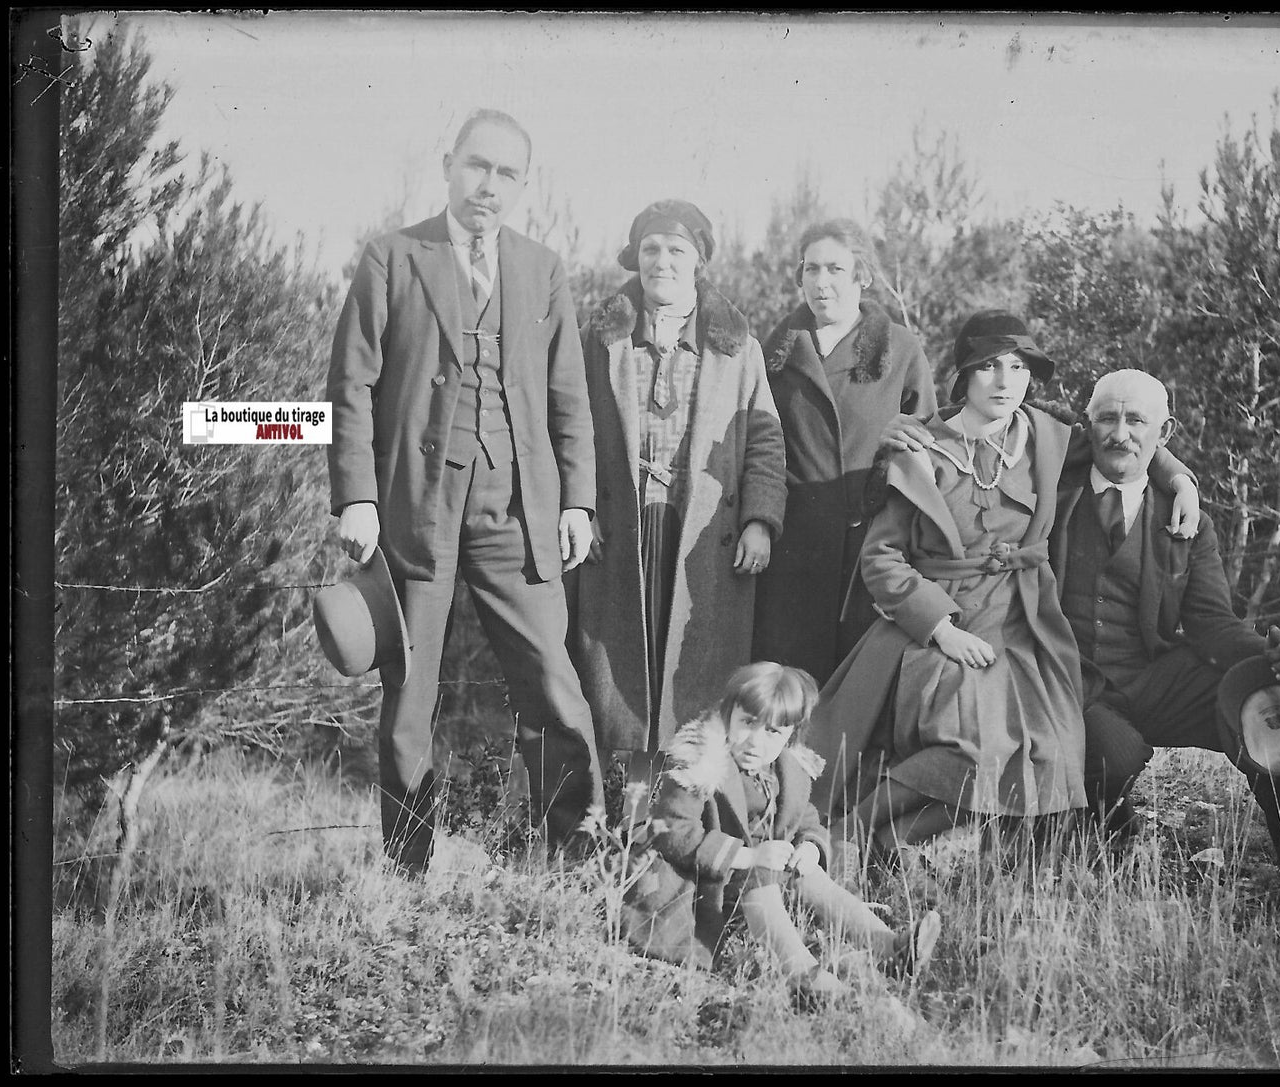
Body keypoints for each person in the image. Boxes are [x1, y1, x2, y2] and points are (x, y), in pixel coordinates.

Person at [808, 311, 1200, 872]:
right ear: (964, 374)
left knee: (1051, 753)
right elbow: (880, 557)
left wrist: (1180, 478)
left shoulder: (1048, 436)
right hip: (941, 630)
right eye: (988, 366)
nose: (1003, 380)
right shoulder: (922, 449)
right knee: (974, 745)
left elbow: (1129, 439)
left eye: (1017, 367)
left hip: (1025, 625)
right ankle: (850, 830)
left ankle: (886, 846)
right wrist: (940, 628)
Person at [327, 108, 604, 876]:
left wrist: (576, 500)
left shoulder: (541, 267)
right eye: (477, 166)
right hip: (417, 509)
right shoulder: (392, 256)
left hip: (517, 513)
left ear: (523, 185)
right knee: (409, 699)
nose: (489, 185)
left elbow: (567, 393)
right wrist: (356, 495)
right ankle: (407, 871)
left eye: (506, 173)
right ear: (449, 165)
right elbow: (352, 383)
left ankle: (577, 863)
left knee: (552, 683)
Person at [1051, 368, 1280, 886]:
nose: (1120, 433)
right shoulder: (1050, 486)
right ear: (1086, 425)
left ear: (1164, 434)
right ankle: (1110, 834)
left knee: (1271, 702)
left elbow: (1210, 624)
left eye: (1137, 420)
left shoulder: (1189, 522)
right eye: (1107, 418)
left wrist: (1278, 657)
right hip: (1069, 681)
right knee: (1113, 757)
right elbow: (1007, 420)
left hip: (1153, 678)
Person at [570, 199, 787, 787]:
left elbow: (764, 439)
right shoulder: (601, 339)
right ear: (635, 259)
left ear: (699, 262)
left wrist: (760, 521)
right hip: (620, 533)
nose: (661, 262)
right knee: (619, 681)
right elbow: (570, 425)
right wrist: (579, 507)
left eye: (676, 251)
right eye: (650, 250)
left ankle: (686, 819)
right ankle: (619, 820)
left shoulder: (736, 349)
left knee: (692, 679)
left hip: (702, 543)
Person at [620, 662, 942, 996]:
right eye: (747, 723)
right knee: (759, 879)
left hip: (770, 871)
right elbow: (671, 830)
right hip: (710, 880)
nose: (756, 742)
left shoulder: (785, 771)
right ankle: (802, 975)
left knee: (813, 877)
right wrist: (747, 856)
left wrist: (810, 848)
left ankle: (891, 949)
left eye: (773, 732)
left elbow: (806, 819)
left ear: (791, 734)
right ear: (728, 714)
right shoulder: (703, 763)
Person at [753, 219, 938, 686]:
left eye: (836, 268)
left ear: (863, 276)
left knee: (863, 686)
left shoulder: (900, 348)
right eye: (811, 269)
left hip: (871, 549)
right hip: (794, 550)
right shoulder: (773, 353)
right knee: (790, 686)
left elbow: (928, 447)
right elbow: (757, 447)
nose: (822, 282)